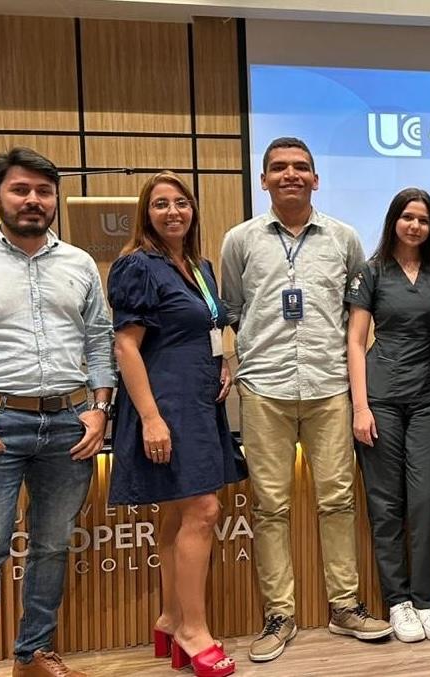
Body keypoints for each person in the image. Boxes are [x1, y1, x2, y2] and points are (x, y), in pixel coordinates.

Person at [0, 147, 115, 677]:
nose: (33, 200)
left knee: (52, 547)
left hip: (70, 423)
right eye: (21, 190)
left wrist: (99, 408)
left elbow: (99, 340)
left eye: (43, 191)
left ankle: (32, 654)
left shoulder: (79, 262)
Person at [220, 137, 391, 661]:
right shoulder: (240, 240)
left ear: (316, 179)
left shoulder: (344, 239)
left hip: (329, 387)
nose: (290, 175)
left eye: (301, 168)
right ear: (264, 179)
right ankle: (280, 615)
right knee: (270, 507)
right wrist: (232, 365)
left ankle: (345, 608)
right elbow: (229, 310)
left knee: (337, 501)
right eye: (279, 168)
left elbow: (360, 315)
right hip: (263, 388)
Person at [108, 172, 245, 676]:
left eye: (181, 203)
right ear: (147, 212)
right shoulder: (137, 266)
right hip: (165, 405)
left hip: (199, 402)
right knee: (204, 510)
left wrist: (223, 360)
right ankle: (193, 630)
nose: (172, 212)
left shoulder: (199, 267)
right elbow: (126, 346)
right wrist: (150, 418)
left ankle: (169, 618)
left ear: (193, 210)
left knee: (178, 514)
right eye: (161, 204)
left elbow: (204, 327)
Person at [345, 188, 430, 642]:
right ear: (393, 221)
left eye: (423, 220)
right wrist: (361, 407)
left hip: (429, 399)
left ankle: (427, 601)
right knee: (386, 504)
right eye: (408, 217)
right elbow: (354, 342)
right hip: (382, 399)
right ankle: (399, 602)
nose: (415, 226)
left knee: (426, 500)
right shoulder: (371, 272)